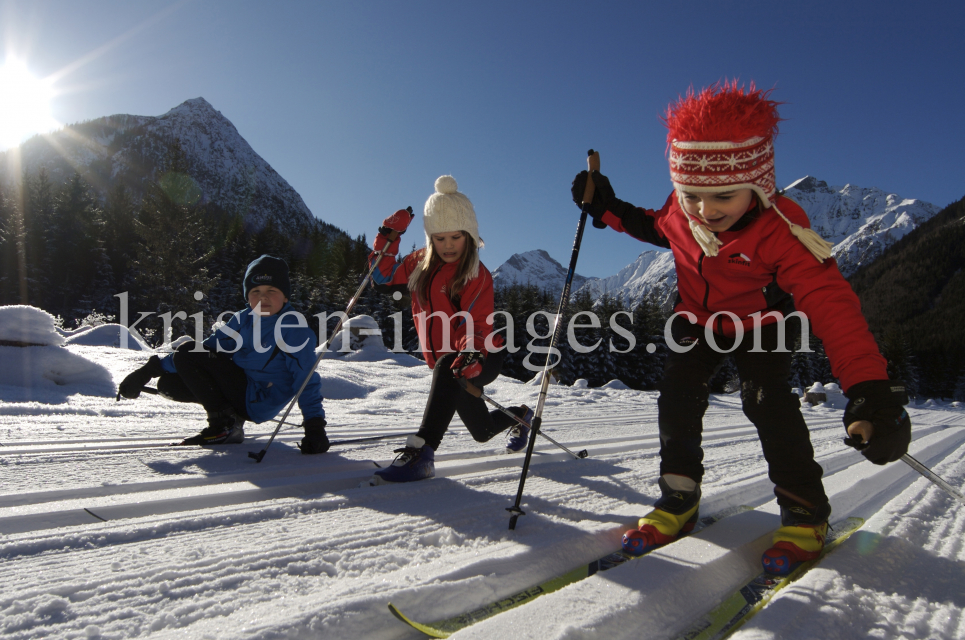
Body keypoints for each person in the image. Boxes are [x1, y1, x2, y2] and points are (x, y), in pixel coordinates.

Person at [570, 82, 911, 575]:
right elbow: (650, 224)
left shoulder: (782, 231)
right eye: (691, 196)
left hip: (761, 324)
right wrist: (602, 206)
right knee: (678, 395)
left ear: (757, 186)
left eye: (723, 196)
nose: (705, 211)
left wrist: (869, 389)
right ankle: (679, 497)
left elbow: (830, 303)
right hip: (694, 319)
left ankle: (804, 513)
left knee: (766, 401)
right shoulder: (680, 213)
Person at [369, 176, 532, 483]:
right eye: (439, 238)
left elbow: (478, 321)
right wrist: (388, 237)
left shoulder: (476, 274)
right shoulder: (419, 263)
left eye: (455, 237)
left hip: (480, 354)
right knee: (481, 431)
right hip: (447, 362)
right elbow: (381, 276)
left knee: (447, 365)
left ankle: (422, 453)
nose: (447, 246)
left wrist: (469, 352)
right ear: (430, 237)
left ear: (469, 235)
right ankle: (519, 415)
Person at [118, 254, 330, 452]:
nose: (263, 298)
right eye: (256, 291)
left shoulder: (293, 329)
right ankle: (229, 419)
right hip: (242, 387)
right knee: (168, 384)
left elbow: (306, 379)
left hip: (261, 399)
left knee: (187, 353)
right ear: (248, 297)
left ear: (285, 297)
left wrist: (315, 425)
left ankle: (224, 425)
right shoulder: (244, 318)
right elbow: (207, 349)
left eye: (271, 291)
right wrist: (148, 371)